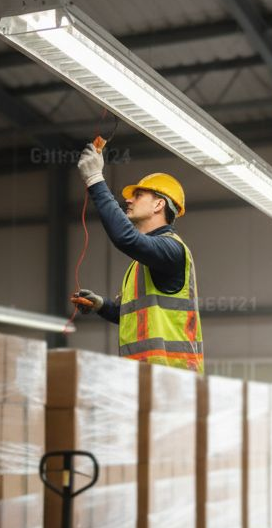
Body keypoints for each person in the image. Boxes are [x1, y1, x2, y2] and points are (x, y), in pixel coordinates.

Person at [71, 143, 204, 373]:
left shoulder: (172, 251)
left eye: (138, 195)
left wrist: (94, 178)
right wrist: (101, 305)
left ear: (159, 204)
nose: (129, 200)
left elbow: (126, 238)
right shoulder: (143, 261)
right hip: (147, 378)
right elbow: (135, 318)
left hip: (172, 377)